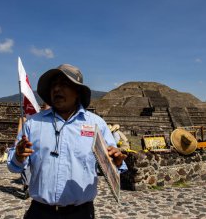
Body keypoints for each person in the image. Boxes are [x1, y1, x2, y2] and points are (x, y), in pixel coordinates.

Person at [8, 64, 127, 219]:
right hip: (40, 212)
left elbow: (112, 164)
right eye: (53, 85)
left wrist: (115, 162)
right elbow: (13, 166)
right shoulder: (33, 124)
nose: (56, 89)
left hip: (81, 213)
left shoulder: (96, 125)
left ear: (77, 92)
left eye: (64, 84)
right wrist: (19, 156)